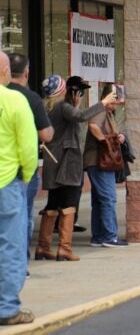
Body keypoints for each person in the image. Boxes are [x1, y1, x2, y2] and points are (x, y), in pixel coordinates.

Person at [36, 76, 116, 261]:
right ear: (63, 90)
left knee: (53, 204)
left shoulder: (48, 108)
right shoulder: (62, 107)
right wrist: (103, 102)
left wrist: (77, 104)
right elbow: (79, 118)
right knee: (69, 203)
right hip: (67, 162)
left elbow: (70, 122)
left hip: (53, 161)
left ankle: (43, 246)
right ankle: (64, 248)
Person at [6, 53, 54, 271]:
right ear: (26, 72)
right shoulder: (29, 98)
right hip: (19, 171)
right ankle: (19, 266)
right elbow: (44, 135)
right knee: (21, 218)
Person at [0, 51, 38, 326]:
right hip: (8, 182)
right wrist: (27, 174)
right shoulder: (15, 100)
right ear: (5, 71)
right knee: (10, 246)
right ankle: (7, 308)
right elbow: (28, 146)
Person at [83, 83, 129, 248]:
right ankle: (110, 236)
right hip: (100, 161)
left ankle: (99, 236)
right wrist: (105, 142)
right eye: (115, 101)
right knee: (109, 198)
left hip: (98, 161)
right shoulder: (101, 110)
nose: (117, 104)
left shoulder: (108, 112)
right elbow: (93, 126)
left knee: (99, 199)